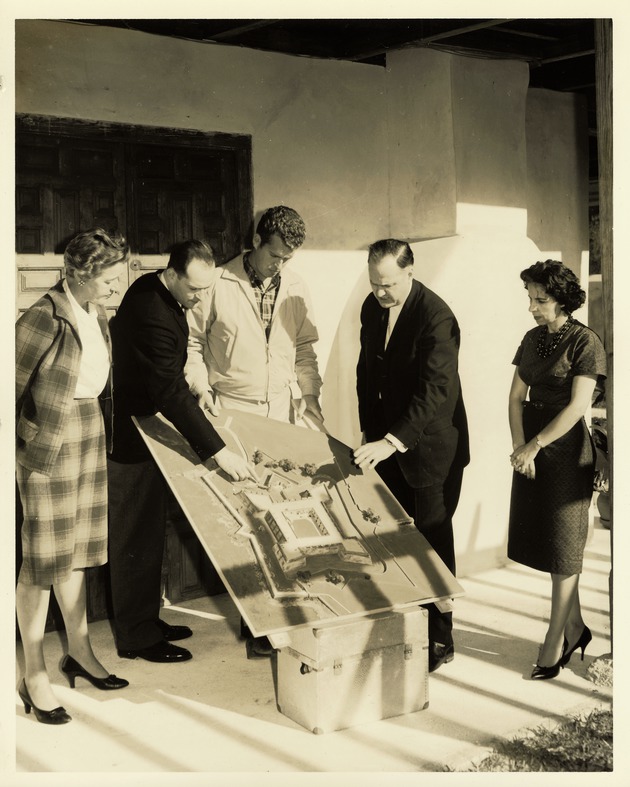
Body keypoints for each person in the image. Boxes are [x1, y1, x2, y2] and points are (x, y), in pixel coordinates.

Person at [108, 239, 257, 664]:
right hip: (132, 440)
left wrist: (198, 385)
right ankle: (135, 636)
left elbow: (173, 374)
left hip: (149, 432)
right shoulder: (152, 311)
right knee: (134, 536)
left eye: (206, 289)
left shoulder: (157, 289)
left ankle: (146, 620)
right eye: (194, 290)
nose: (200, 298)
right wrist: (219, 451)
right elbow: (167, 392)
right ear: (171, 275)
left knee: (149, 532)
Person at [185, 206, 323, 657]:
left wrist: (312, 398)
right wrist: (201, 386)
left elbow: (304, 351)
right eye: (275, 255)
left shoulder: (296, 287)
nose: (279, 265)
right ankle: (256, 626)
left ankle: (286, 617)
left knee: (282, 515)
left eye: (288, 258)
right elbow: (191, 343)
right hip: (232, 413)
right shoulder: (219, 283)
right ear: (257, 241)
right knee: (244, 519)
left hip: (280, 413)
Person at [16, 228, 130, 725]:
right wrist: (27, 438)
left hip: (87, 433)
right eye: (110, 279)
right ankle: (33, 672)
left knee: (79, 550)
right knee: (43, 561)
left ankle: (79, 651)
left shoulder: (95, 312)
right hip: (50, 444)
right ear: (82, 275)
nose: (116, 287)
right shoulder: (42, 317)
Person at [353, 239, 469, 673]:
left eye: (388, 285)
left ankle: (441, 638)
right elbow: (368, 371)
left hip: (429, 450)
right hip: (385, 445)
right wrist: (369, 433)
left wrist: (392, 440)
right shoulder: (371, 306)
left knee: (432, 545)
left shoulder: (436, 317)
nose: (381, 293)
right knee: (396, 539)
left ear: (410, 270)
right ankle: (408, 628)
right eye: (374, 283)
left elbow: (435, 391)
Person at [507, 259, 606, 680]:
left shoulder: (586, 342)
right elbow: (514, 397)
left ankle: (555, 643)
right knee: (553, 548)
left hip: (565, 452)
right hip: (531, 449)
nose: (532, 307)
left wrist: (534, 445)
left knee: (566, 545)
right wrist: (519, 448)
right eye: (530, 298)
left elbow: (578, 407)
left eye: (541, 300)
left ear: (562, 301)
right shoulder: (531, 339)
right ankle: (576, 627)